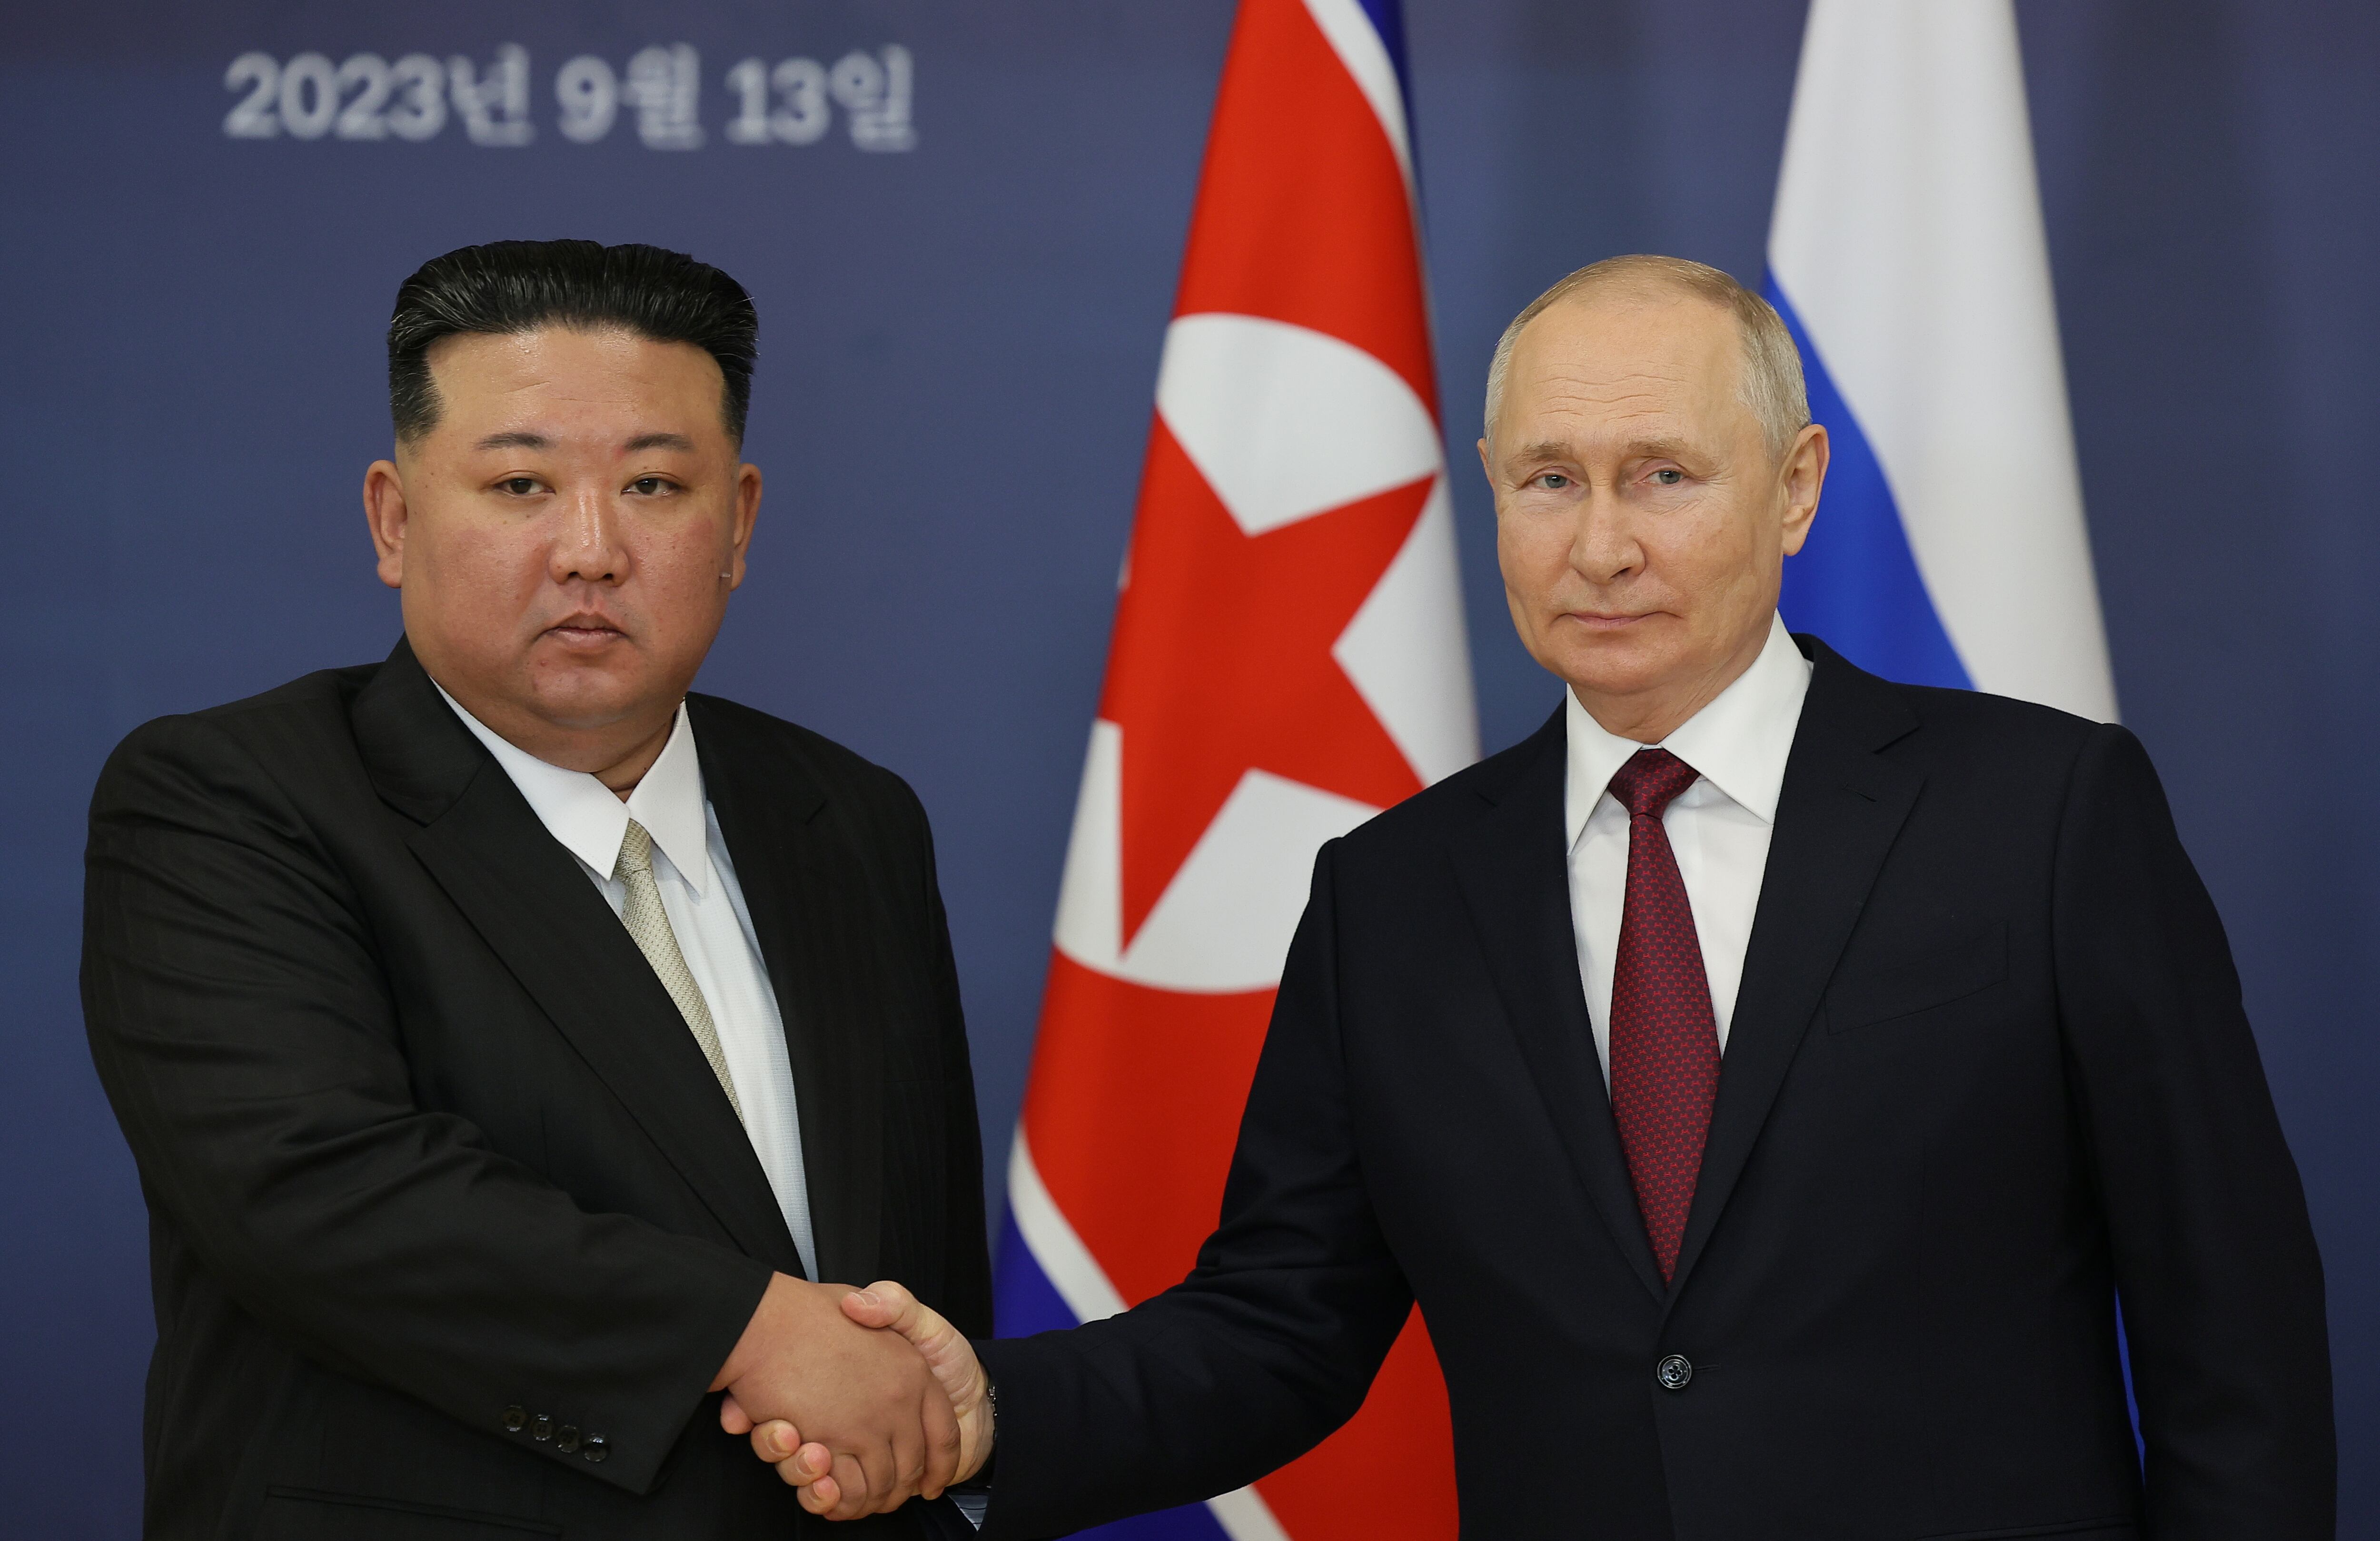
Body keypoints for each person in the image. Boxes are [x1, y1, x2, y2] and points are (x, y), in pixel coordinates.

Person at [748, 256, 2336, 1538]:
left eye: (1662, 477)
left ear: (1794, 491)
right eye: (1549, 481)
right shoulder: (1396, 893)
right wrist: (988, 1414)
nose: (1601, 547)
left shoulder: (2042, 813)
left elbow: (2231, 1322)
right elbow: (1281, 1326)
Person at [82, 239, 991, 1539]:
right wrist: (747, 1330)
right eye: (519, 483)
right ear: (394, 521)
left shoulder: (851, 818)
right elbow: (317, 1193)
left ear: (737, 524)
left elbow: (912, 1284)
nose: (591, 549)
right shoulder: (232, 797)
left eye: (654, 486)